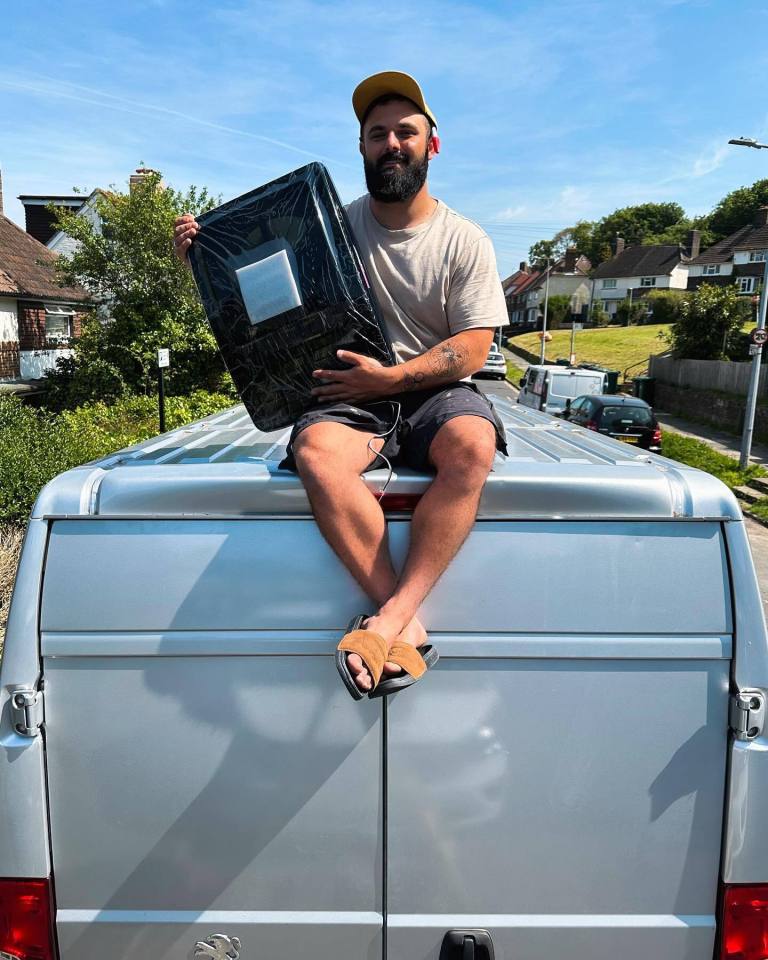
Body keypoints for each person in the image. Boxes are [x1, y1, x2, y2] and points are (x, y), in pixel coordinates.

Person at [174, 71, 508, 699]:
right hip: (351, 390)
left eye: (405, 132)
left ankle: (386, 621)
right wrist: (204, 252)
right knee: (315, 456)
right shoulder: (321, 227)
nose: (391, 144)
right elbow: (252, 288)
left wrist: (394, 377)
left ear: (431, 145)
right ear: (360, 147)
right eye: (376, 133)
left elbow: (472, 347)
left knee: (472, 445)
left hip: (430, 388)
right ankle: (402, 623)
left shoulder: (465, 239)